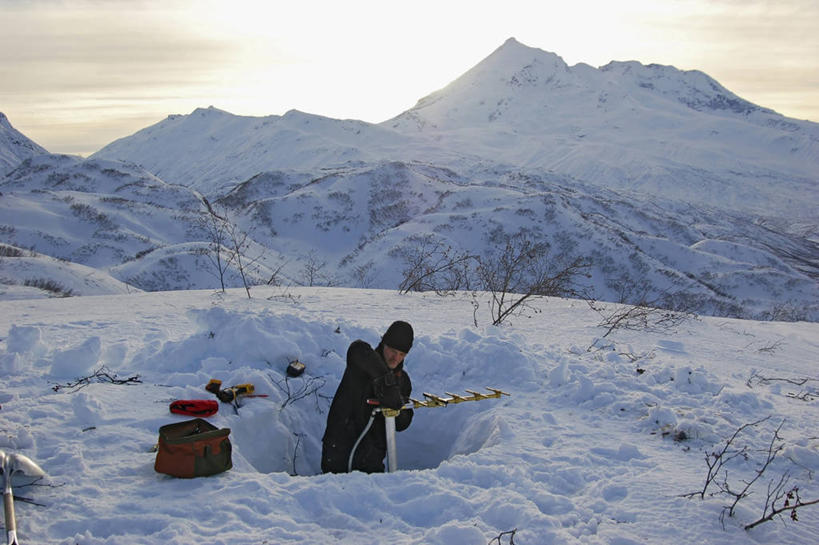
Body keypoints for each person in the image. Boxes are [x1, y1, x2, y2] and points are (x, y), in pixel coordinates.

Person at [321, 321, 414, 473]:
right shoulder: (361, 366)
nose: (396, 358)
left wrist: (397, 411)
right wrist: (385, 381)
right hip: (340, 454)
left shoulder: (402, 380)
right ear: (383, 344)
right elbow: (357, 348)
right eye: (392, 351)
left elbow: (403, 424)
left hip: (372, 459)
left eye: (402, 354)